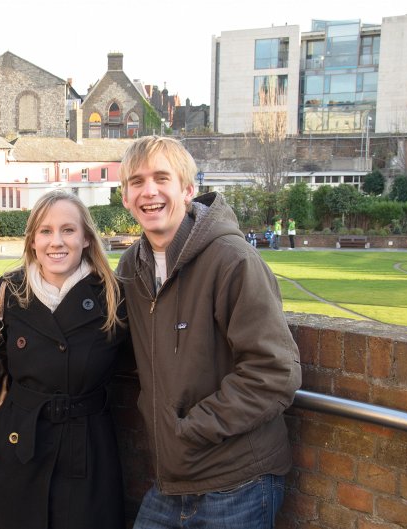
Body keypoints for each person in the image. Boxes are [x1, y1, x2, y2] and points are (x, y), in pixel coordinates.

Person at [115, 136, 302, 529]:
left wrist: (190, 429)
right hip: (172, 481)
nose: (149, 191)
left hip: (238, 481)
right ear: (125, 197)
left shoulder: (232, 260)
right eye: (136, 182)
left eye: (161, 178)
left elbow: (275, 374)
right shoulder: (133, 265)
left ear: (187, 189)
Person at [0, 190, 130, 529]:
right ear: (32, 241)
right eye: (45, 231)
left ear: (87, 238)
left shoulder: (114, 295)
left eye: (68, 230)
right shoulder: (12, 291)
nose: (55, 242)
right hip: (20, 443)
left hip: (87, 447)